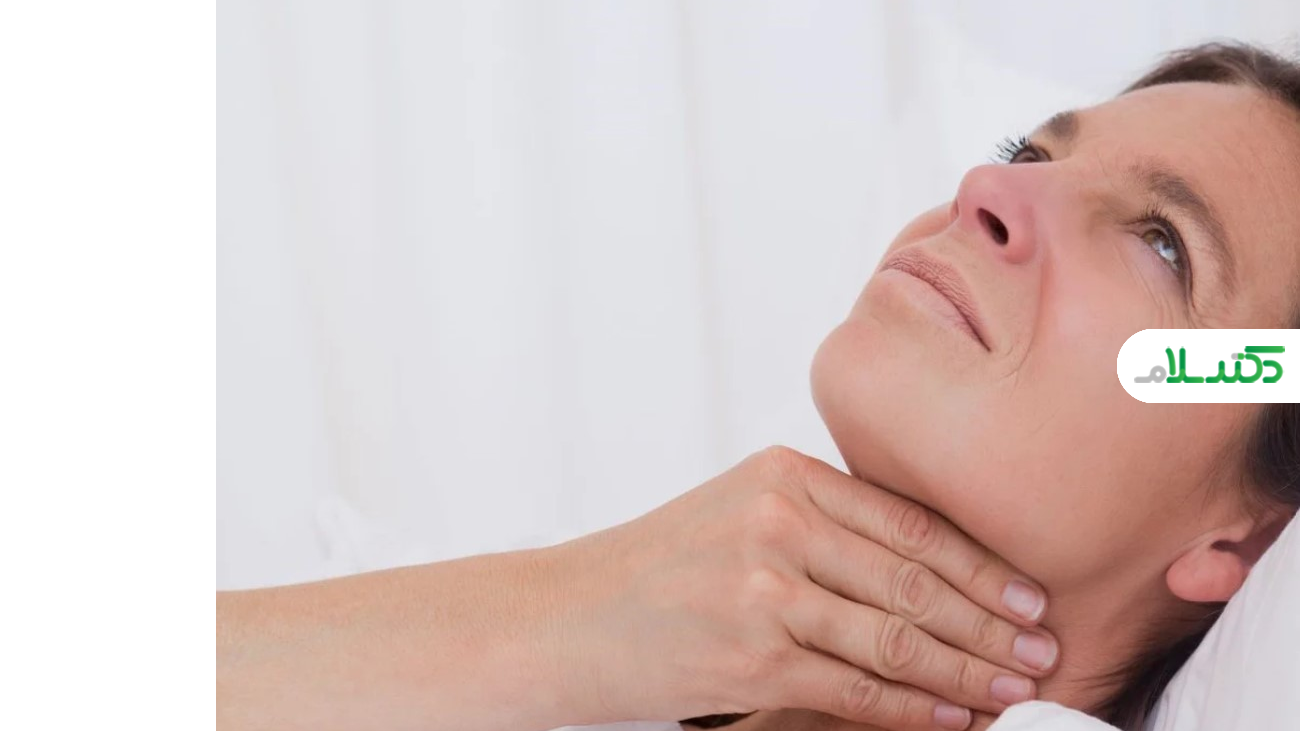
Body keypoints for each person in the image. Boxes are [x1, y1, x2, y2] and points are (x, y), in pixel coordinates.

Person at [215, 41, 1300, 731]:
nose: (987, 189)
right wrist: (564, 616)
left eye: (1164, 244)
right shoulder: (539, 643)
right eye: (1029, 153)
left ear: (1243, 541)